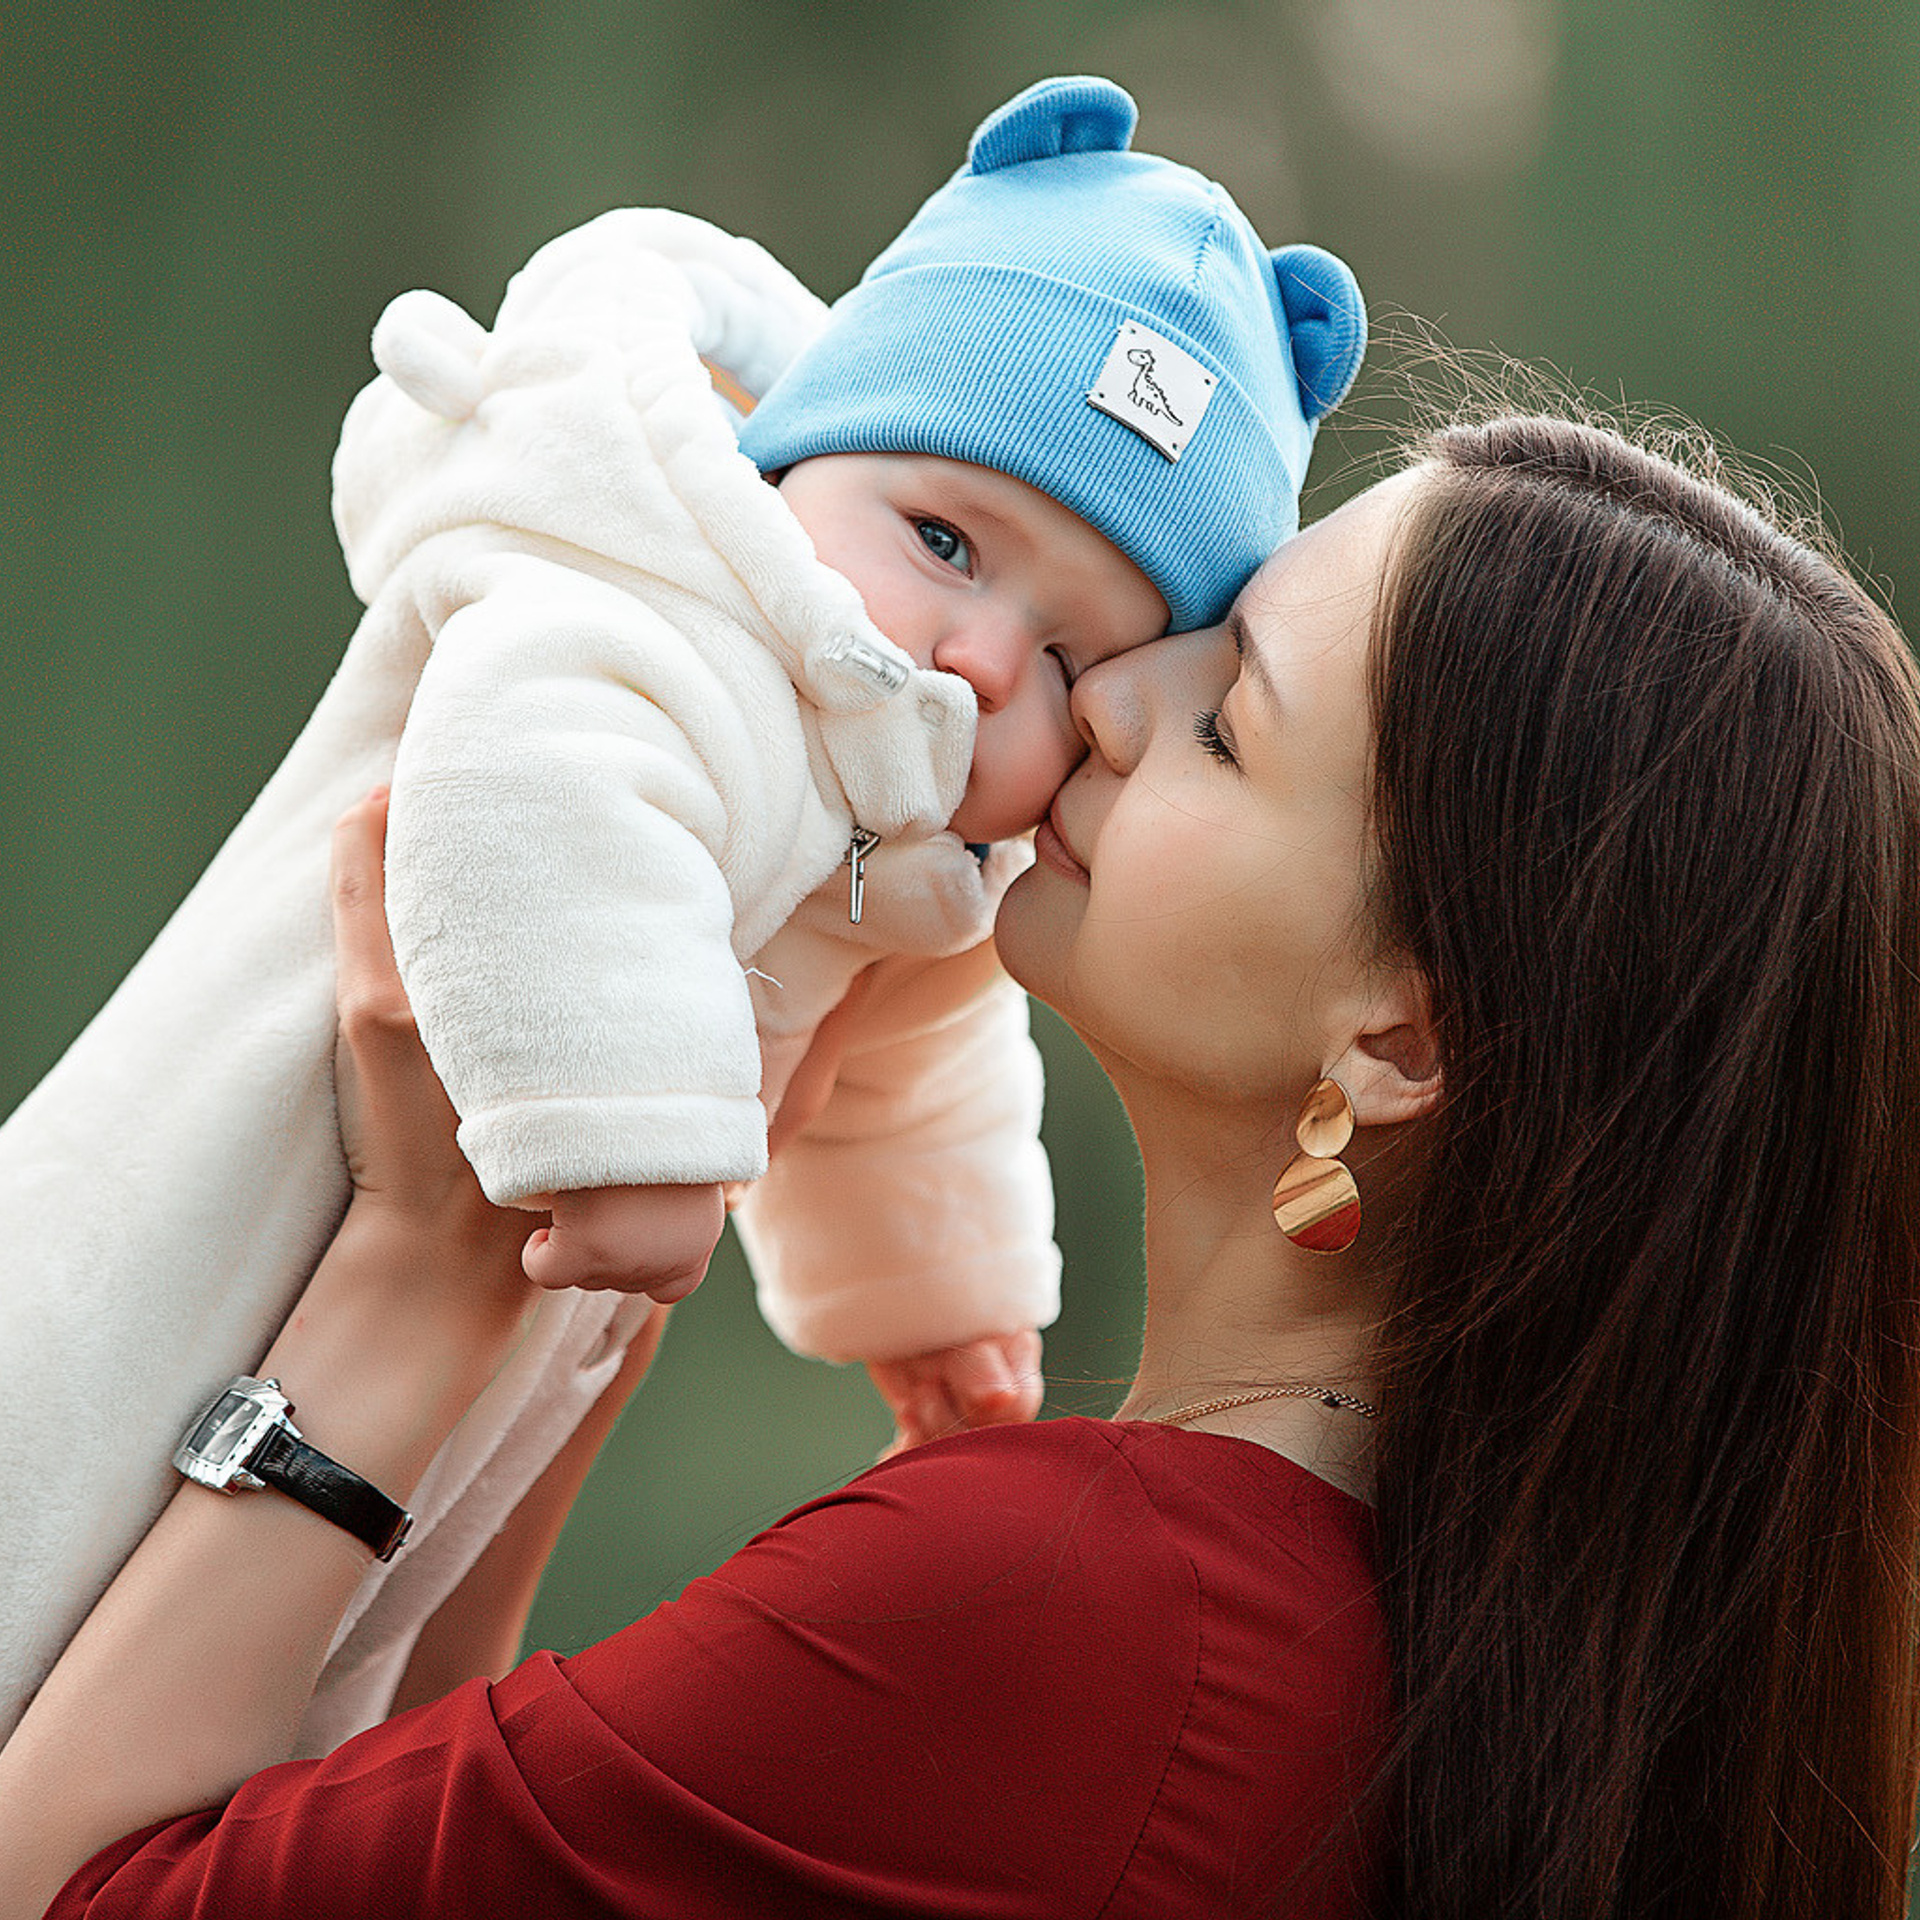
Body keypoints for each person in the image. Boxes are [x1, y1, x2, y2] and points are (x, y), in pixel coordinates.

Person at [7, 407, 1919, 1920]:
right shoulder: (1371, 1647)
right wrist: (580, 1240)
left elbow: (73, 1895)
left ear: (1403, 1042)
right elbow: (434, 1850)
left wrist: (415, 1273)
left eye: (1230, 717)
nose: (1106, 692)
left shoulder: (1081, 1616)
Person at [0, 73, 1366, 1750]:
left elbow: (913, 1054)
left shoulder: (898, 824)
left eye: (1075, 657)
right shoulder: (652, 610)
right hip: (214, 1220)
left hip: (425, 1353)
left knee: (264, 1692)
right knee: (51, 1527)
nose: (981, 658)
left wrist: (932, 1294)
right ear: (800, 456)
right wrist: (630, 1134)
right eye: (944, 537)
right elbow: (533, 782)